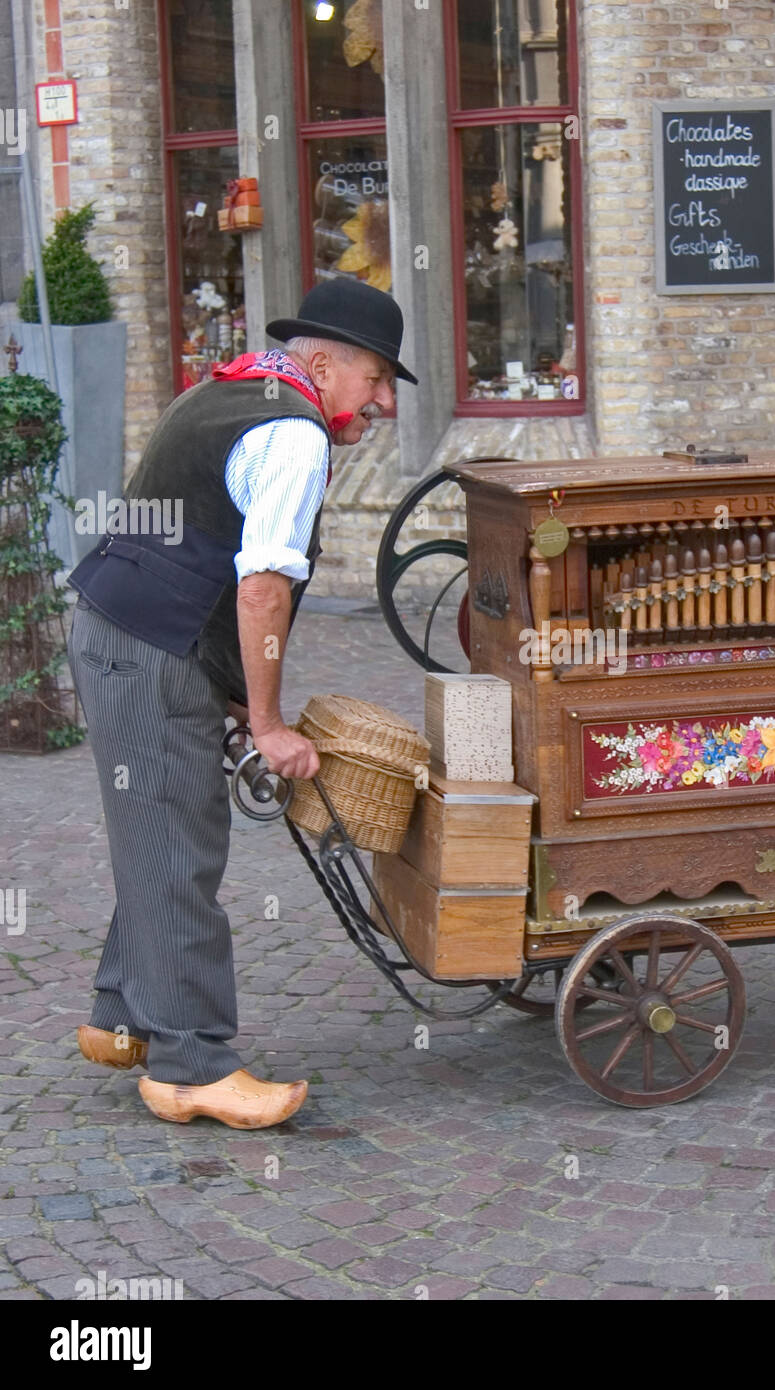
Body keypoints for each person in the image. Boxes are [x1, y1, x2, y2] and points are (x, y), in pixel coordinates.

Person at [66, 278, 417, 1128]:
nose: (380, 403)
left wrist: (224, 695)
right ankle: (191, 1066)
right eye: (373, 380)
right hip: (149, 648)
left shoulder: (234, 385)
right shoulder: (294, 436)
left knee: (158, 831)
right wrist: (265, 722)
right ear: (324, 363)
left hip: (129, 631)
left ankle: (121, 1020)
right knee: (181, 845)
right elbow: (261, 588)